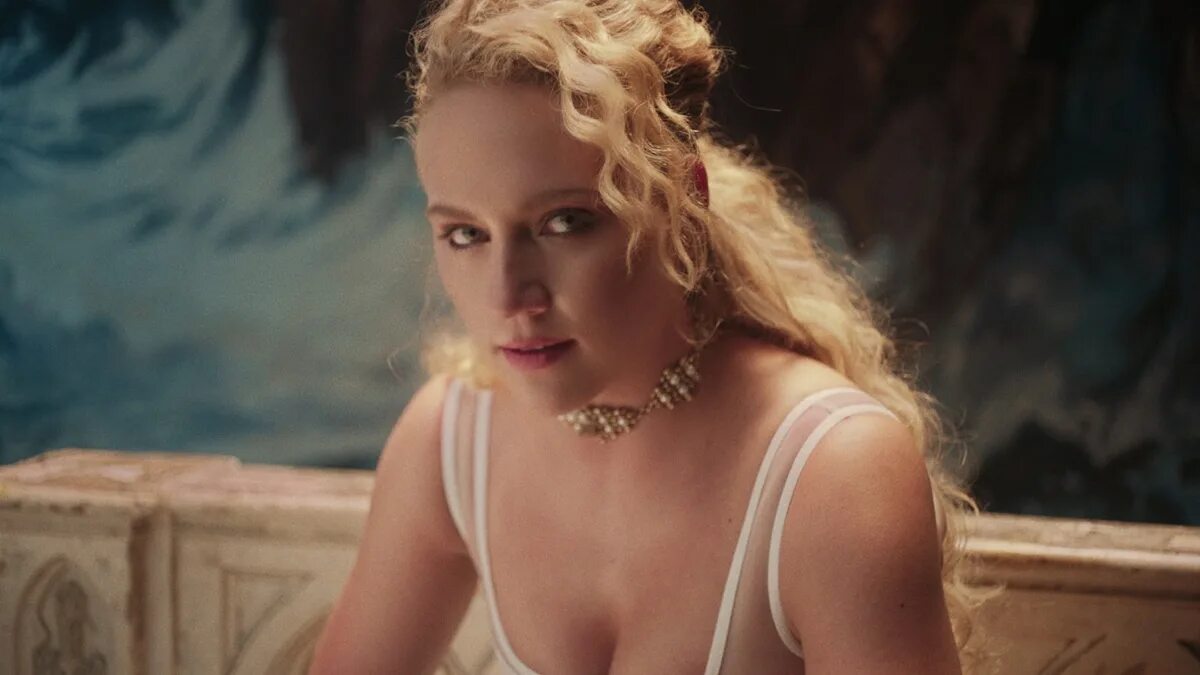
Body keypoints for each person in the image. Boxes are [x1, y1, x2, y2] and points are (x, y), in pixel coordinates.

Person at [310, 1, 992, 672]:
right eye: (465, 234)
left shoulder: (831, 471)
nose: (507, 296)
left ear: (682, 197)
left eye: (564, 222)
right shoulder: (453, 437)